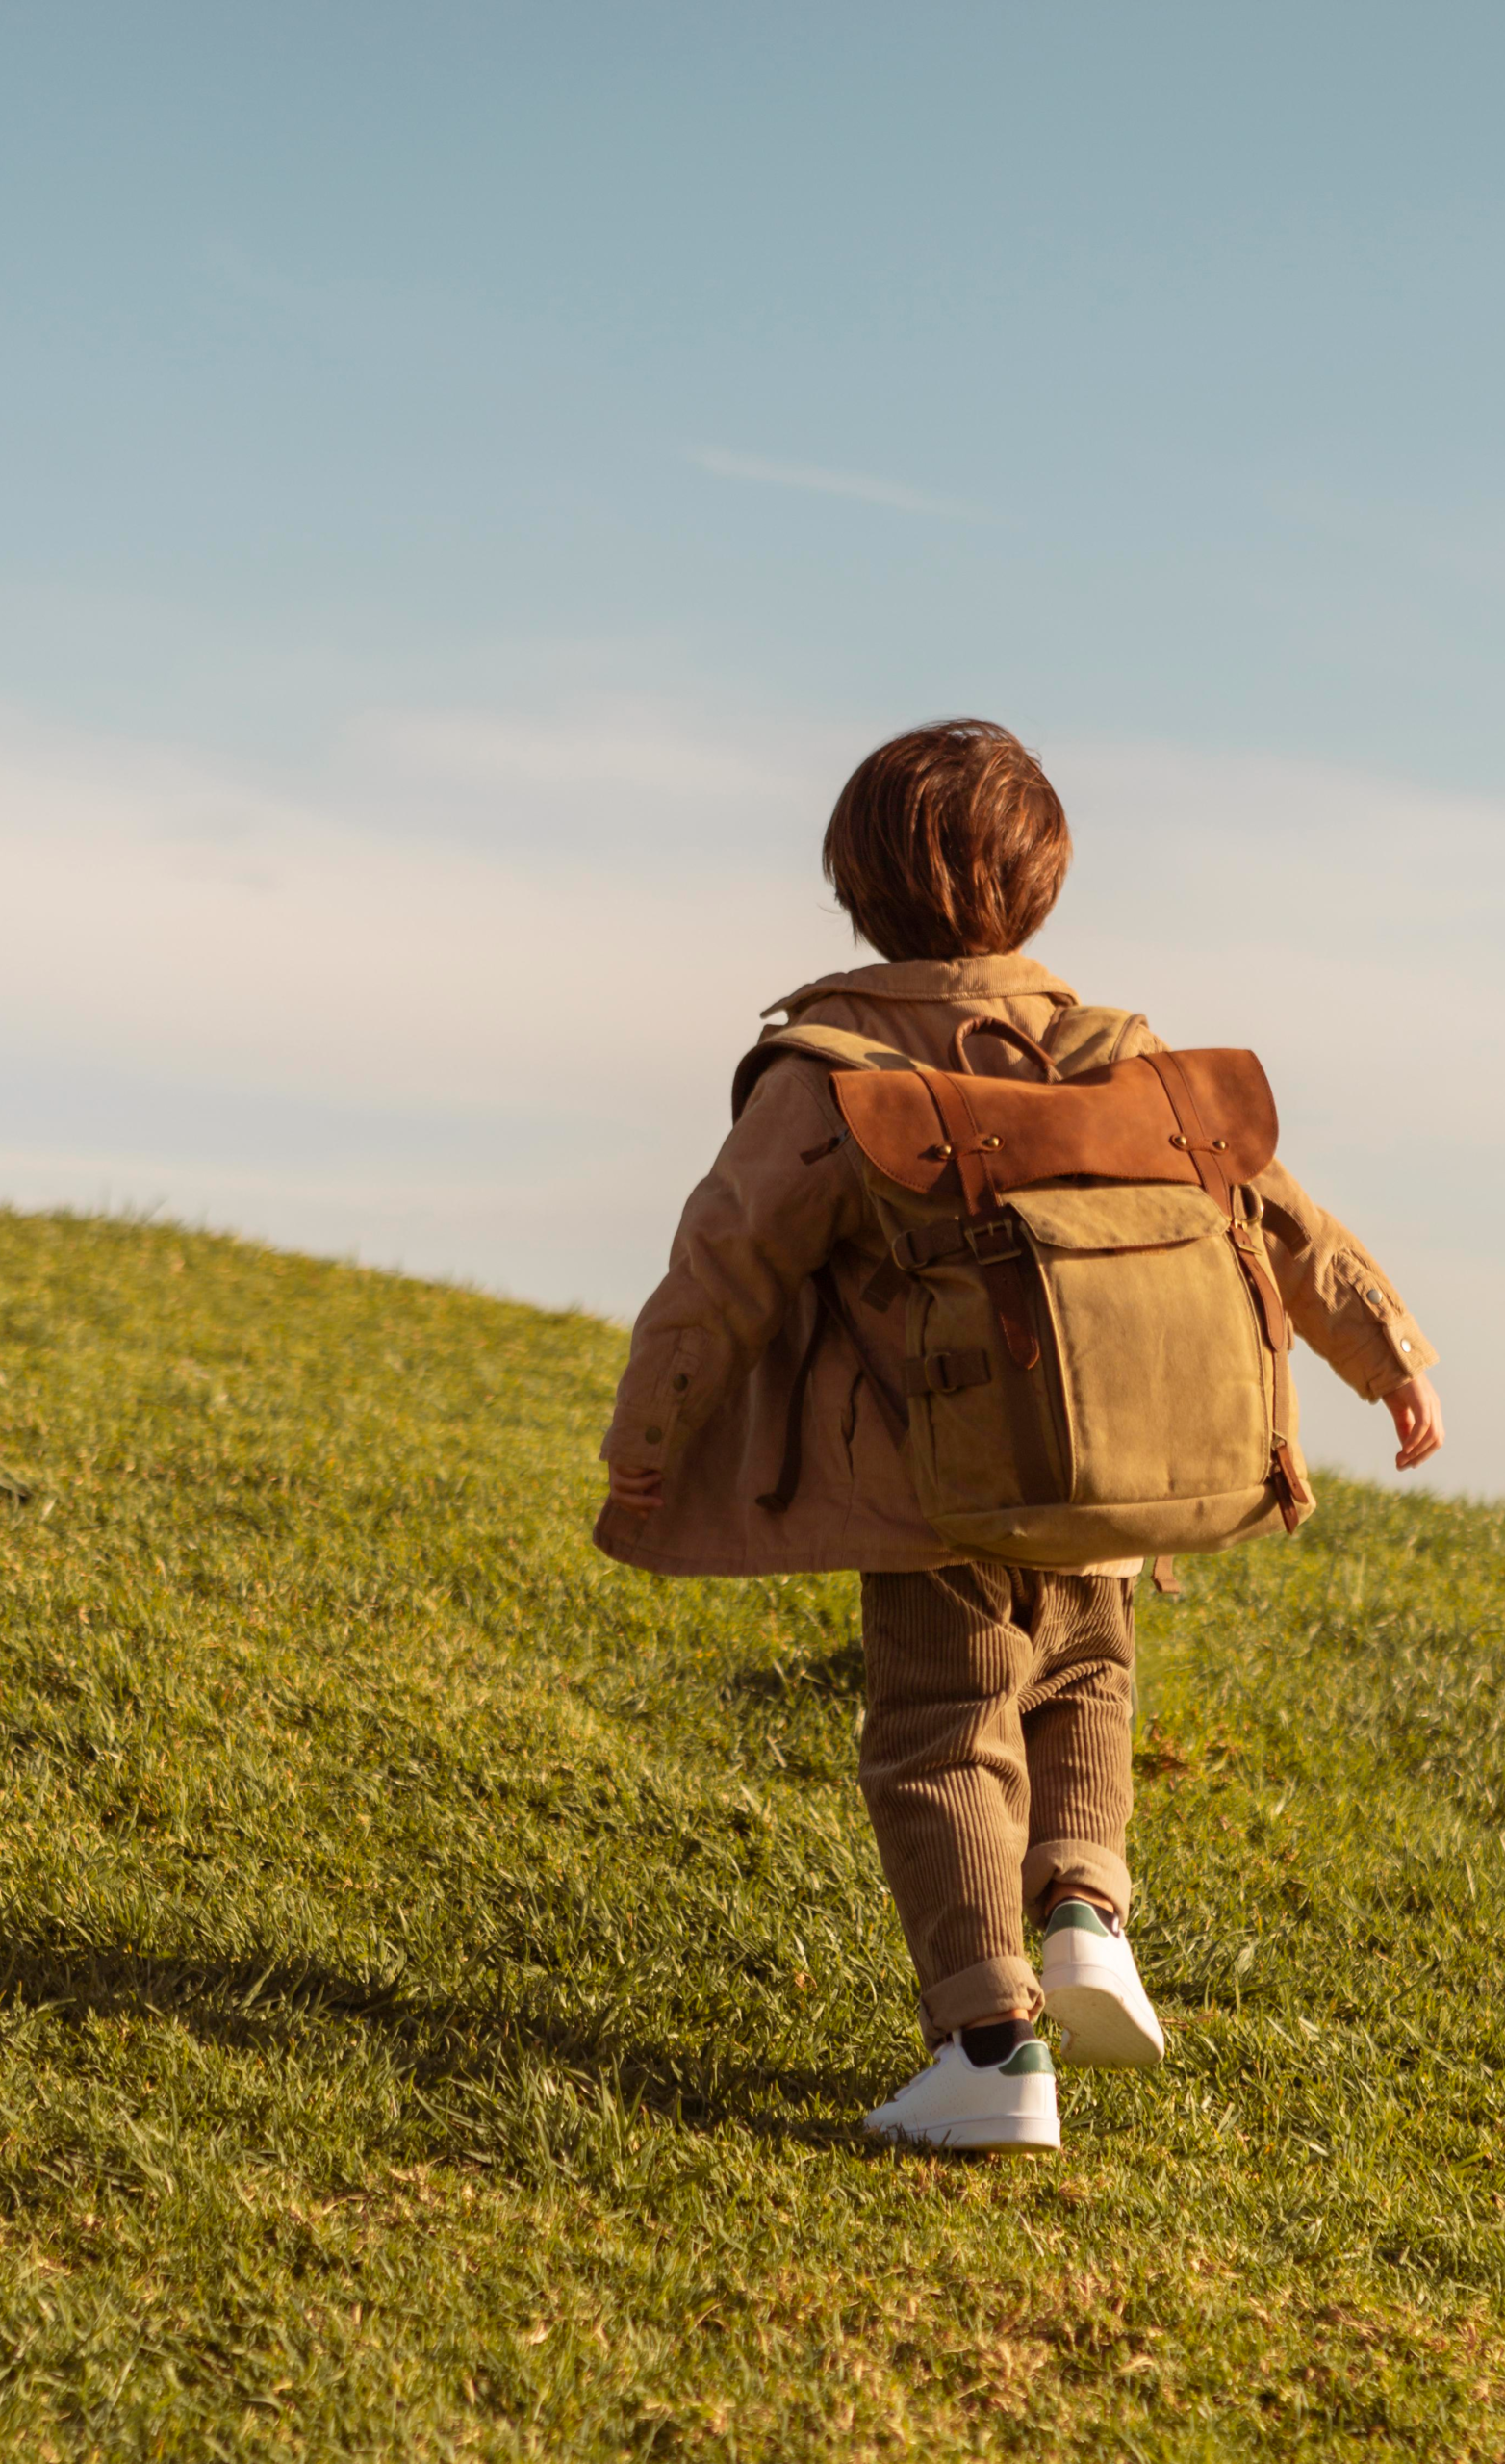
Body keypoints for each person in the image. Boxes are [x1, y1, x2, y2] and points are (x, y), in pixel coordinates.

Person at [595, 719, 1442, 2153]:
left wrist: (649, 1432)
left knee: (940, 1738)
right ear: (1042, 885)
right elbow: (1281, 1218)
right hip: (1113, 1474)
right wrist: (1391, 1355)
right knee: (1086, 1682)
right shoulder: (1121, 1058)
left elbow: (722, 1267)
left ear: (856, 887)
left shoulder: (837, 1071)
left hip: (938, 1491)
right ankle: (1085, 1918)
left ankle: (989, 2052)